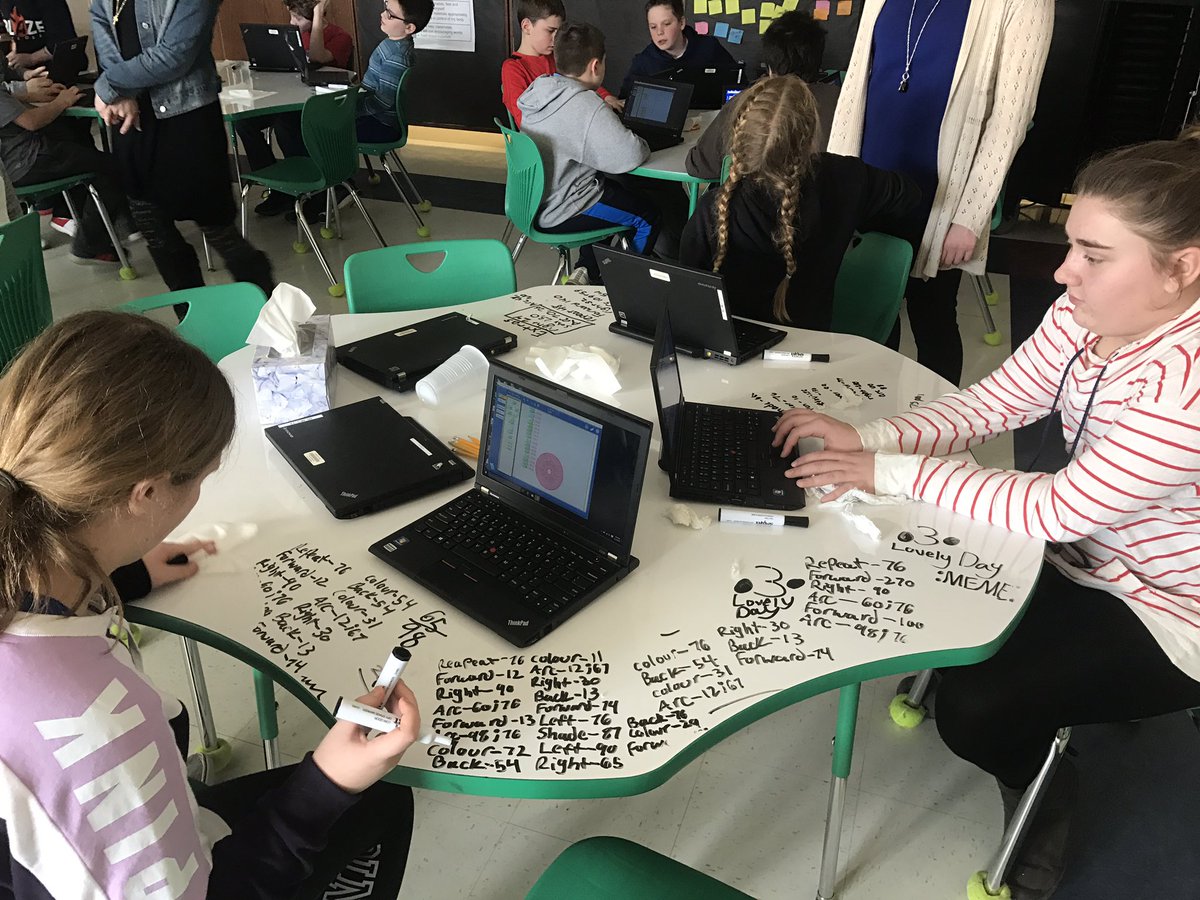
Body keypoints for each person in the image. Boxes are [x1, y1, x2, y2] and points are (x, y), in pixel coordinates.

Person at [774, 128, 1200, 898]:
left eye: (1094, 256)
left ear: (1183, 269)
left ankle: (1043, 792)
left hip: (1167, 606)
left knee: (977, 710)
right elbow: (997, 402)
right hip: (1081, 550)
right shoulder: (1086, 316)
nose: (1063, 272)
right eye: (1071, 245)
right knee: (924, 593)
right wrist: (868, 438)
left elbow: (1059, 508)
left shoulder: (1187, 386)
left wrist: (886, 470)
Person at [0, 310, 420, 899]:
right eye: (199, 479)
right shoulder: (90, 727)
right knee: (378, 803)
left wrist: (123, 568)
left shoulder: (27, 542)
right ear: (145, 493)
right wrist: (327, 784)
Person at [828, 0, 1053, 385]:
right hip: (867, 184)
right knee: (866, 316)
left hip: (939, 201)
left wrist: (970, 217)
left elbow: (1010, 118)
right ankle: (871, 413)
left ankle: (932, 419)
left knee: (931, 317)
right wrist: (834, 183)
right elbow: (854, 90)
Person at [679, 76, 920, 331]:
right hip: (814, 346)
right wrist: (853, 221)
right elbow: (910, 196)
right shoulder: (846, 177)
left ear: (739, 137)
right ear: (811, 136)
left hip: (730, 347)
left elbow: (685, 300)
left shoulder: (712, 210)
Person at [89, 0, 274, 298]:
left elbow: (175, 55)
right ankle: (190, 316)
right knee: (155, 231)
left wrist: (110, 86)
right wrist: (119, 93)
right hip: (130, 117)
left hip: (187, 118)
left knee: (217, 227)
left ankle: (269, 306)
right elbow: (103, 29)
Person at [518, 22, 665, 284]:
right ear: (595, 66)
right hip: (564, 208)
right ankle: (620, 285)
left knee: (609, 191)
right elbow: (631, 155)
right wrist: (643, 140)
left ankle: (587, 269)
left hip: (533, 202)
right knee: (648, 216)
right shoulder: (587, 105)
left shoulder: (539, 89)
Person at [685, 10, 839, 180]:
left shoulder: (748, 102)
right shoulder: (843, 101)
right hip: (828, 195)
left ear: (770, 68)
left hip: (756, 195)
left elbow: (698, 165)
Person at [238, 0, 356, 217]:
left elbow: (318, 56)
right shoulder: (292, 35)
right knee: (244, 123)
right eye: (292, 16)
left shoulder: (340, 37)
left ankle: (313, 190)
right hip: (292, 99)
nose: (292, 22)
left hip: (323, 107)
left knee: (285, 124)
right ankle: (279, 188)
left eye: (298, 18)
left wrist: (318, 13)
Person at [0, 76, 135, 263]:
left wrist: (26, 93)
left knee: (76, 142)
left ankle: (78, 219)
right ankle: (90, 243)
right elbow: (31, 121)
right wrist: (61, 102)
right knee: (112, 167)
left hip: (17, 163)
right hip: (26, 162)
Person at [500, 0, 621, 130]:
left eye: (558, 32)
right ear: (526, 26)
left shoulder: (556, 56)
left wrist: (606, 96)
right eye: (550, 31)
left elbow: (582, 80)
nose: (555, 39)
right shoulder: (513, 68)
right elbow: (524, 121)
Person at [619, 0, 737, 99]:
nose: (659, 32)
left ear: (681, 23)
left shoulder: (709, 47)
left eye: (666, 24)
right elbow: (625, 100)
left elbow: (737, 84)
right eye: (653, 27)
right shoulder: (643, 62)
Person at [1, 0, 75, 70]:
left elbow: (64, 42)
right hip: (22, 70)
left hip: (57, 67)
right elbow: (5, 34)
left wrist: (31, 59)